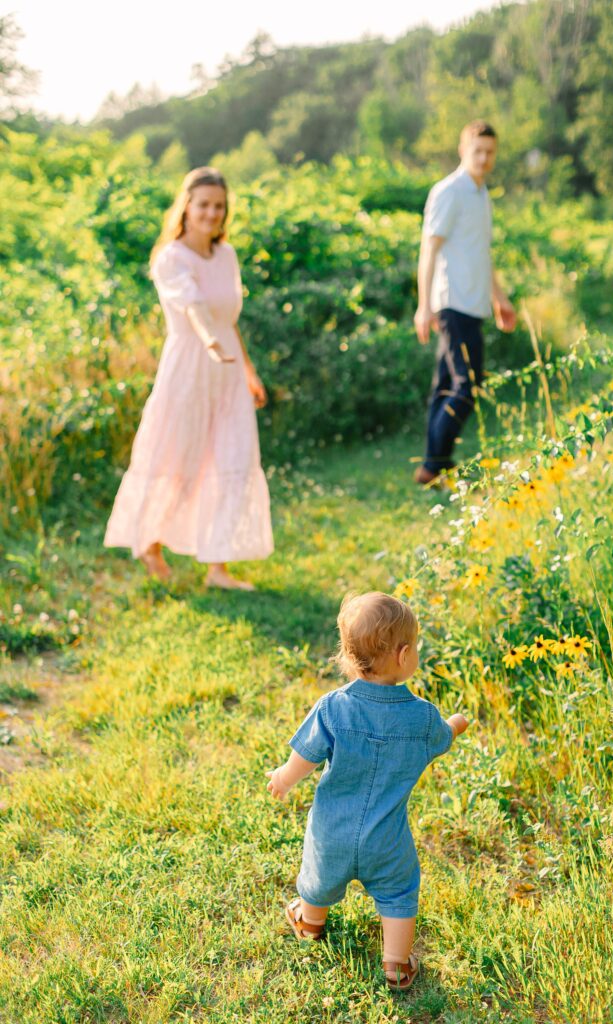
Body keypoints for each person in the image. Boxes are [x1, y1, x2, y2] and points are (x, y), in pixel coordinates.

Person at [265, 592, 469, 991]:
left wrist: (284, 779)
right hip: (387, 838)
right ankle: (396, 965)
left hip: (332, 832)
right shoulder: (423, 717)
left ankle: (309, 923)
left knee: (319, 878)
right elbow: (443, 737)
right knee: (398, 891)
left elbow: (303, 757)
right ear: (404, 654)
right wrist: (457, 722)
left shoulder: (332, 707)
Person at [104, 167, 273, 589]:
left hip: (229, 372)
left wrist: (247, 369)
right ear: (187, 206)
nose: (211, 213)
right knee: (177, 462)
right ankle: (149, 541)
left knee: (232, 460)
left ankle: (218, 567)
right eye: (203, 205)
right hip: (189, 368)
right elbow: (195, 309)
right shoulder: (171, 258)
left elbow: (227, 319)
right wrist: (210, 343)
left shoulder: (227, 255)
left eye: (219, 206)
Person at [413, 120, 517, 485]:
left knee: (445, 386)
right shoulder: (449, 191)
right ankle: (432, 464)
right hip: (452, 302)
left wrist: (500, 299)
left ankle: (436, 462)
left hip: (475, 303)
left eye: (490, 152)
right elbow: (429, 249)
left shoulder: (481, 193)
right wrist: (424, 305)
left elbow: (481, 254)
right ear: (463, 149)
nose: (484, 158)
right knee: (466, 388)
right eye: (478, 151)